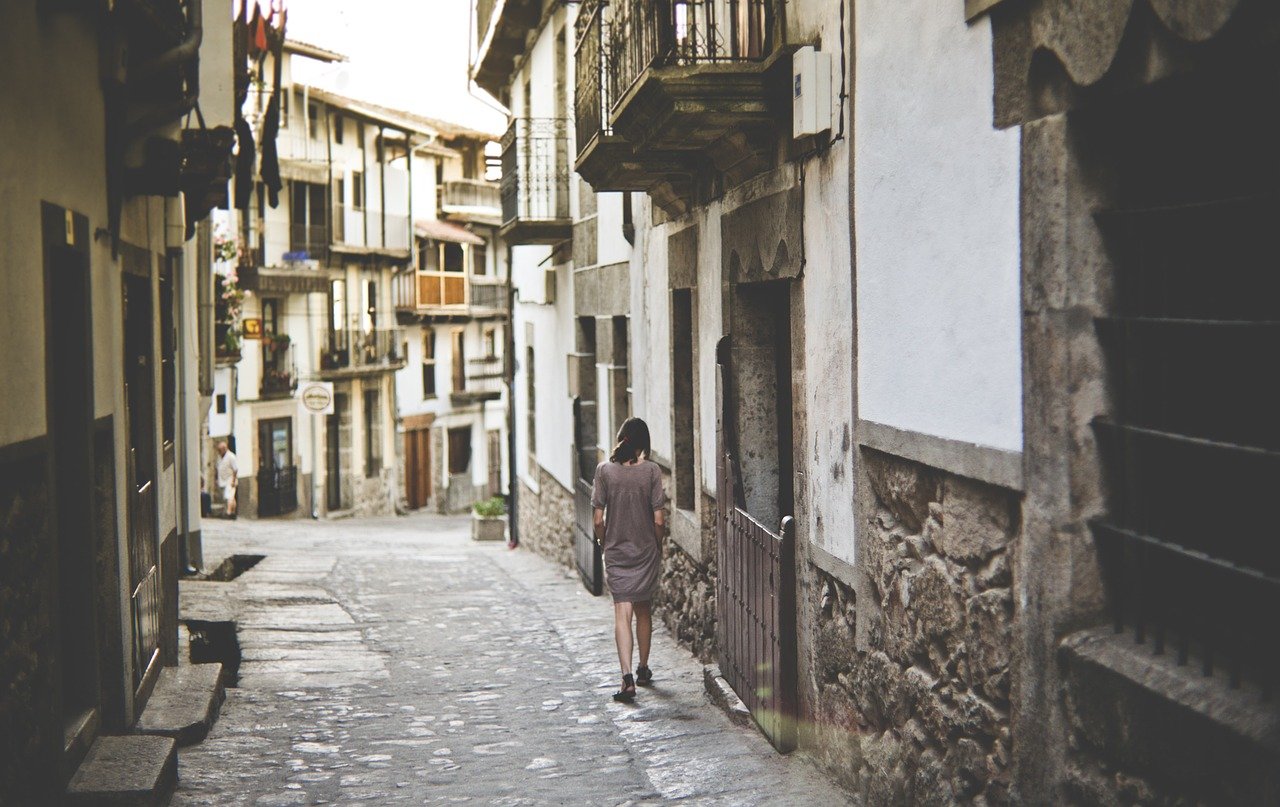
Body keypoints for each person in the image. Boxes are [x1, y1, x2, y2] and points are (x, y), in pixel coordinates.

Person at [591, 417, 666, 703]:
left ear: (621, 437)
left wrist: (603, 541)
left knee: (622, 613)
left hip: (617, 552)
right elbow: (659, 519)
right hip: (645, 550)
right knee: (644, 609)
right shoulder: (652, 472)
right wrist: (656, 545)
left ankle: (627, 679)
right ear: (644, 444)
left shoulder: (604, 471)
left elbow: (598, 519)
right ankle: (644, 668)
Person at [215, 440, 239, 519]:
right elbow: (218, 468)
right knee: (231, 497)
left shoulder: (231, 456)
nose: (218, 451)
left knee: (229, 496)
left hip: (230, 479)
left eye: (220, 450)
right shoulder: (220, 457)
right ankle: (233, 512)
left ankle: (228, 513)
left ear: (224, 449)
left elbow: (235, 469)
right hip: (223, 480)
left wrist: (233, 480)